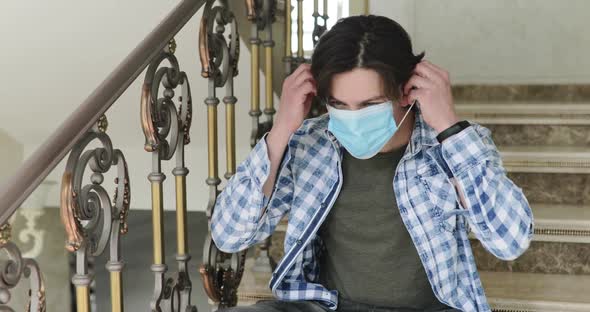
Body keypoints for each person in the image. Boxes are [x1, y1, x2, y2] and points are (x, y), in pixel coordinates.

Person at [210, 15, 534, 312]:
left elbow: (510, 242)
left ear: (407, 91)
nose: (353, 118)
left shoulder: (455, 144)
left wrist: (449, 126)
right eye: (339, 104)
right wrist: (281, 129)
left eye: (370, 104)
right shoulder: (309, 143)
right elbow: (230, 235)